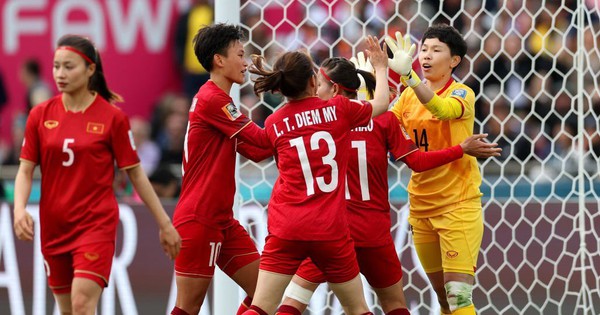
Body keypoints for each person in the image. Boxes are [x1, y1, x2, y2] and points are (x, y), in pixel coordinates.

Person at [277, 55, 501, 315]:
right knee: (395, 304)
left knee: (293, 300)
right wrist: (459, 149)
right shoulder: (383, 119)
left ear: (335, 89)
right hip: (374, 231)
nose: (315, 88)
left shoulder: (319, 119)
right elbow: (416, 160)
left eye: (319, 83)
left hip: (332, 230)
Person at [12, 34, 181, 315]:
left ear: (91, 69)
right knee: (67, 310)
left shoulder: (112, 118)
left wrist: (165, 224)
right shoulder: (40, 115)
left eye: (69, 66)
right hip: (54, 226)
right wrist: (19, 209)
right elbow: (25, 169)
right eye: (56, 66)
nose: (60, 74)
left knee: (81, 303)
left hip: (94, 225)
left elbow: (137, 174)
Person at [241, 36, 390, 315]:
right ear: (312, 82)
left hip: (287, 228)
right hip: (329, 230)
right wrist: (380, 68)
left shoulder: (274, 122)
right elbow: (381, 103)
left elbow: (257, 149)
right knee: (358, 308)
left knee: (261, 307)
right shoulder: (339, 109)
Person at [170, 23, 272, 315]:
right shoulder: (214, 100)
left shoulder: (217, 100)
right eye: (240, 54)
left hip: (222, 221)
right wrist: (295, 106)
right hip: (200, 219)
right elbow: (264, 143)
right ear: (219, 60)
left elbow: (258, 151)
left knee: (265, 294)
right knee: (188, 308)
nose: (246, 62)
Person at [387, 24, 486, 315]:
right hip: (421, 206)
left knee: (458, 297)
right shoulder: (406, 97)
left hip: (458, 205)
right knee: (443, 298)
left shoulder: (462, 93)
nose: (426, 55)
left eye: (436, 50)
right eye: (424, 49)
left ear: (454, 60)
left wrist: (409, 76)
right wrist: (373, 84)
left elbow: (442, 109)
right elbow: (385, 126)